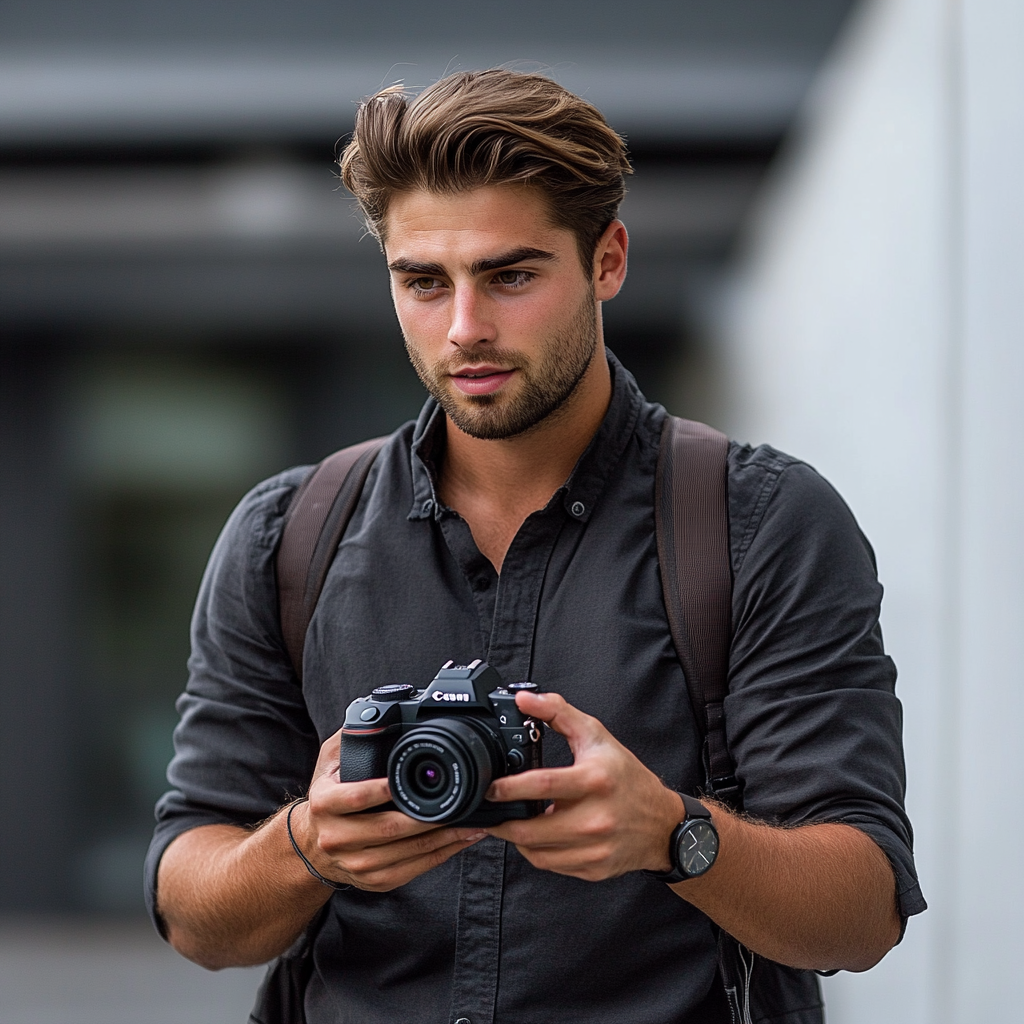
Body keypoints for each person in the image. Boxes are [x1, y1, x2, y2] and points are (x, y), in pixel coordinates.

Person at [147, 70, 925, 1023]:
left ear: (608, 260)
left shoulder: (761, 522)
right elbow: (194, 913)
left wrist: (672, 833)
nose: (465, 329)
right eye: (423, 281)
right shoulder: (289, 536)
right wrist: (305, 847)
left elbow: (865, 911)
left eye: (511, 275)